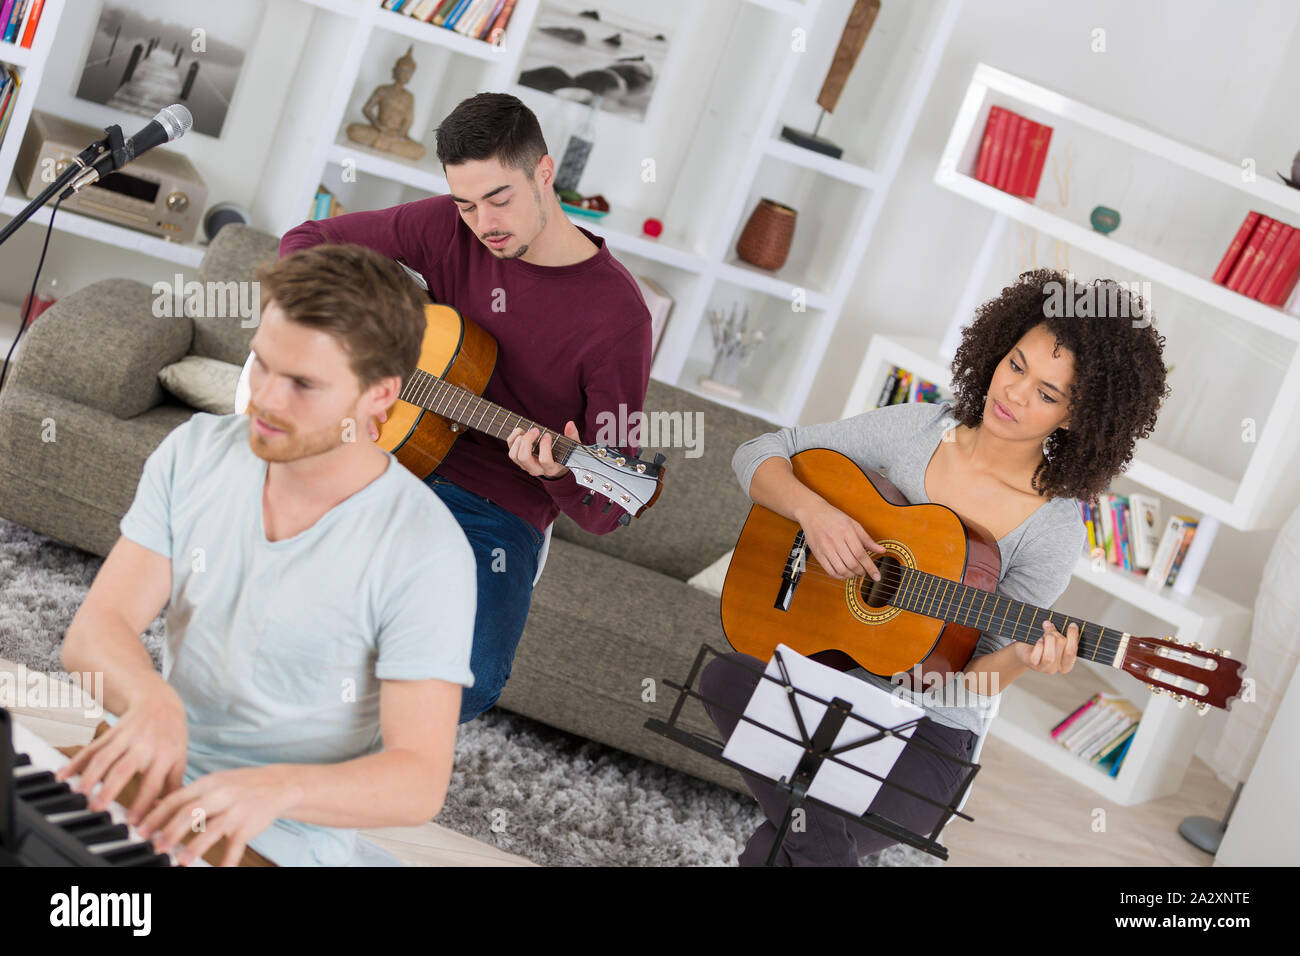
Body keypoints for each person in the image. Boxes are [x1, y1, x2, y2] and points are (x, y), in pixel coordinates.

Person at [704, 269, 1171, 866]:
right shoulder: (917, 429)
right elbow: (759, 453)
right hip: (828, 687)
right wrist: (815, 514)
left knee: (789, 841)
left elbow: (969, 680)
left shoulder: (1053, 530)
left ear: (1077, 418)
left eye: (1048, 394)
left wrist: (1022, 659)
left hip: (927, 734)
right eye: (1017, 365)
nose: (1016, 394)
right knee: (728, 678)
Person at [58, 244, 477, 866]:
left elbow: (417, 779)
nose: (265, 400)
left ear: (379, 395)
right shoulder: (195, 451)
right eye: (262, 364)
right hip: (149, 770)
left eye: (304, 383)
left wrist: (279, 788)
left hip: (278, 832)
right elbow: (96, 630)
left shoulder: (427, 551)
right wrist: (150, 699)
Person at [279, 92, 653, 724]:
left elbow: (607, 507)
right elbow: (307, 239)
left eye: (499, 198)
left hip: (497, 510)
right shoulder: (451, 226)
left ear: (543, 172)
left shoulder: (617, 320)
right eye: (465, 203)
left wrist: (559, 474)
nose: (483, 223)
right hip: (386, 458)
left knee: (463, 682)